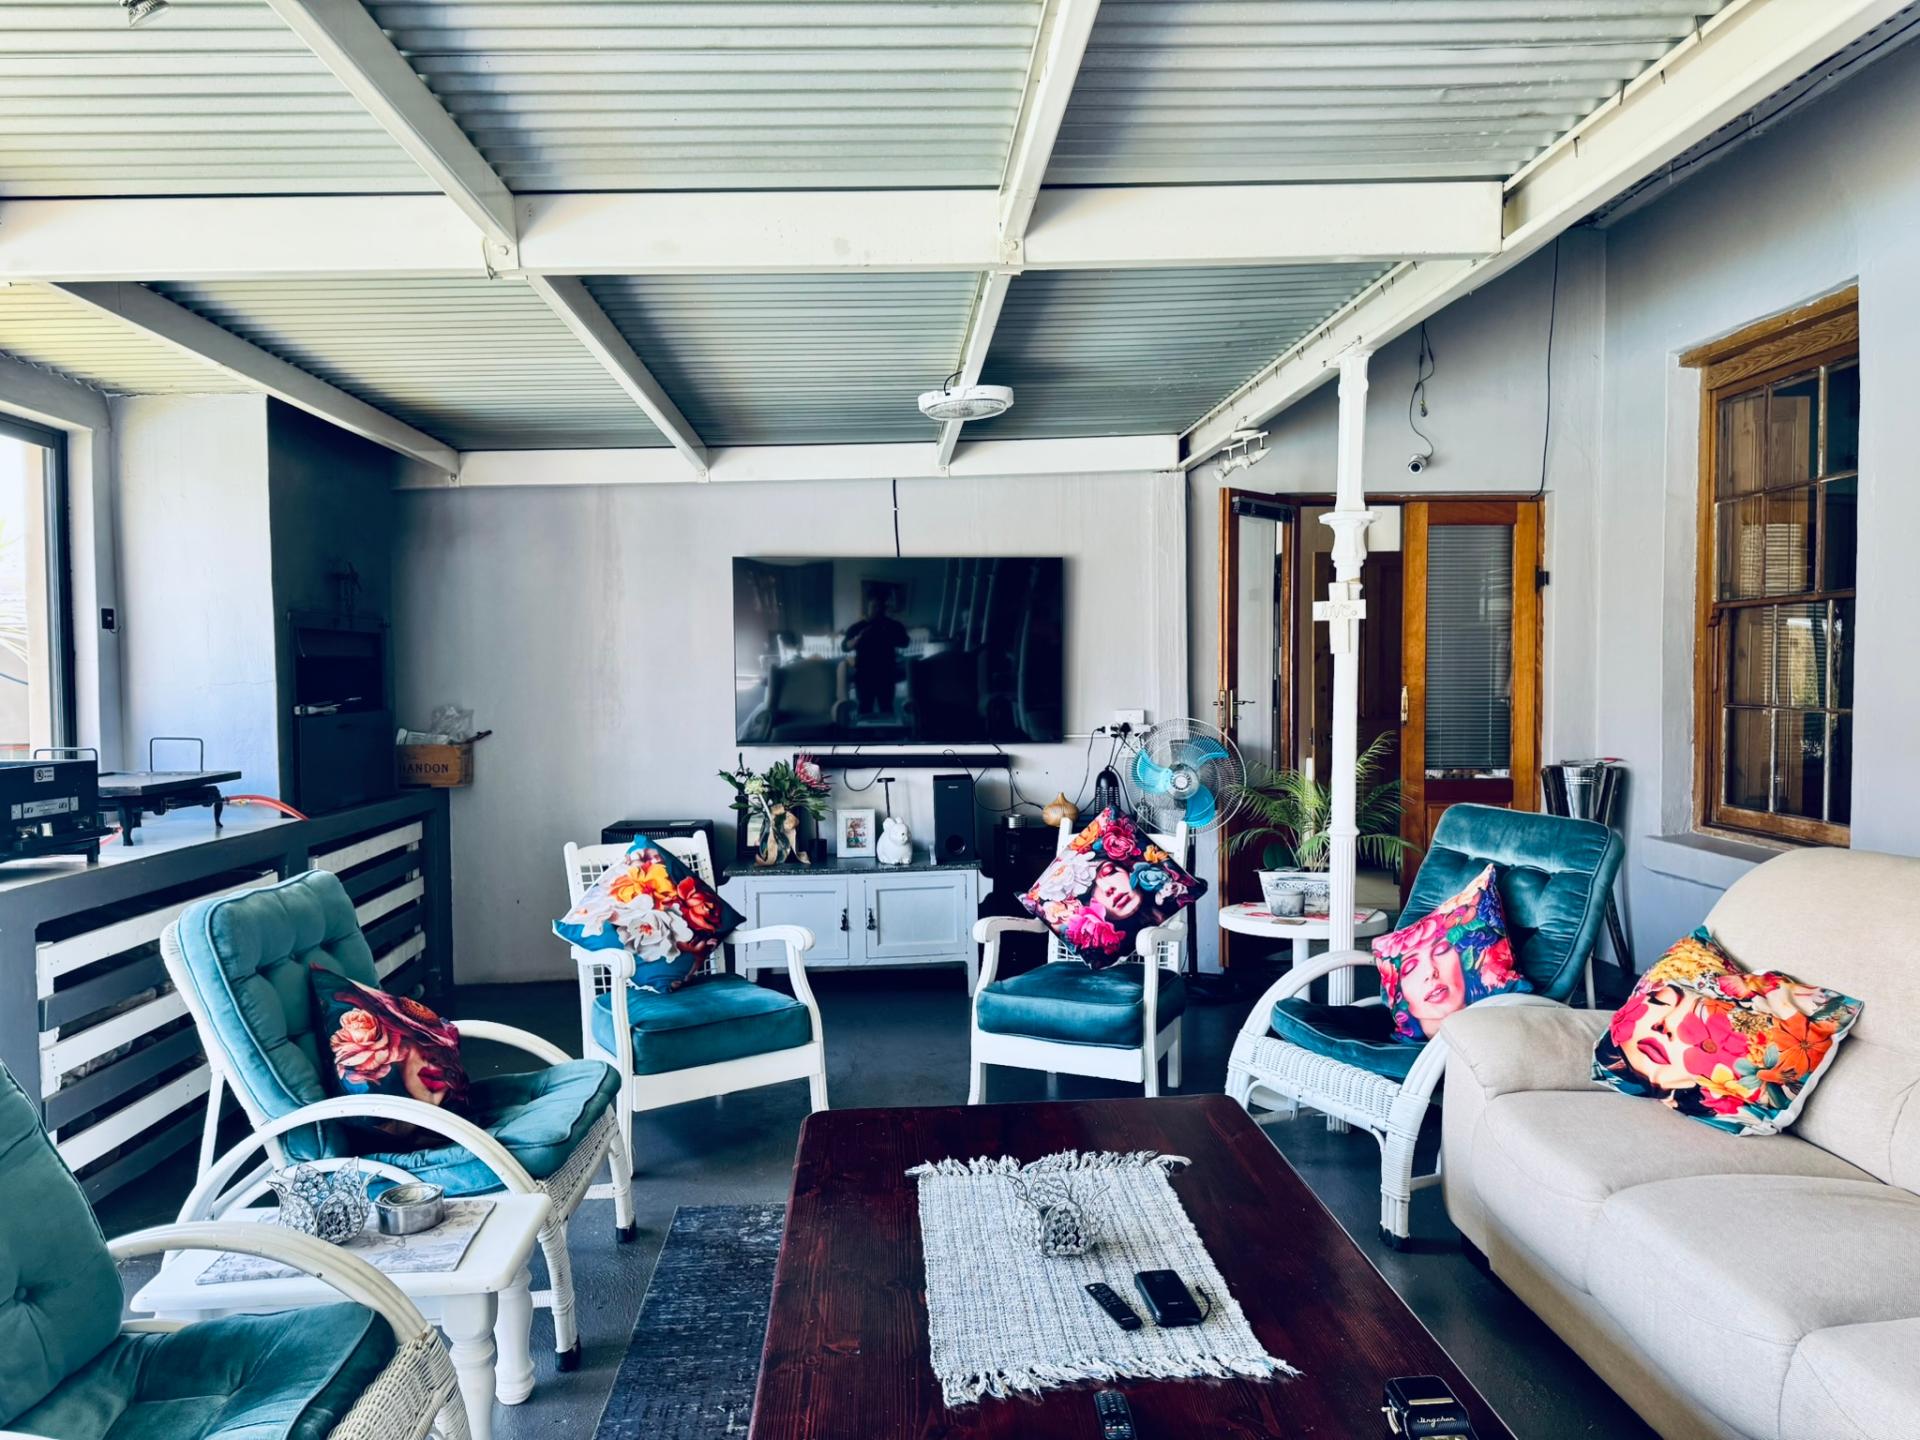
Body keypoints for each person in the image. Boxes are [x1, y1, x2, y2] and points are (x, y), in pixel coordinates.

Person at [842, 592, 909, 716]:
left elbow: (905, 643)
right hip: (864, 675)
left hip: (887, 674)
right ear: (867, 607)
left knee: (886, 707)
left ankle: (887, 728)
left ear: (885, 608)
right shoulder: (857, 627)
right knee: (864, 708)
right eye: (874, 606)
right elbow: (844, 647)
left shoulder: (894, 625)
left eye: (881, 607)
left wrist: (890, 635)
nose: (878, 610)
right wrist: (856, 639)